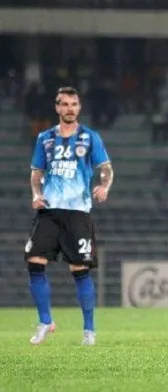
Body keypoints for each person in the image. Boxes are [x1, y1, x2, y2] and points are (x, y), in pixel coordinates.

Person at [25, 86, 113, 346]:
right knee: (34, 261)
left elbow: (106, 168)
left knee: (80, 269)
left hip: (77, 213)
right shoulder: (45, 138)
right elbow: (36, 173)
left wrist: (104, 186)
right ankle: (45, 321)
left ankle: (89, 330)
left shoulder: (90, 137)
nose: (70, 109)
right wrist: (35, 194)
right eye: (65, 104)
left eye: (74, 104)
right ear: (57, 108)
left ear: (79, 107)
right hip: (49, 211)